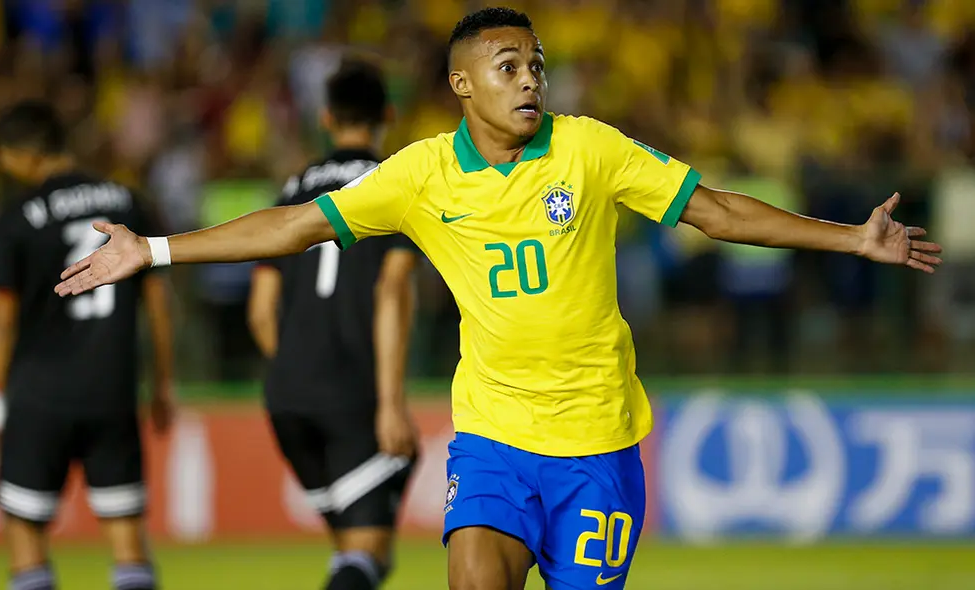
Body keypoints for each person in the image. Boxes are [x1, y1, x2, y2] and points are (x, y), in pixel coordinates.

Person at [54, 7, 943, 590]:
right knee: (475, 580)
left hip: (599, 445)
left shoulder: (590, 149)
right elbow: (294, 227)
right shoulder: (422, 175)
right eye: (507, 64)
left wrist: (848, 236)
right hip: (494, 441)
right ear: (462, 84)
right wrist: (157, 248)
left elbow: (713, 210)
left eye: (537, 64)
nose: (529, 78)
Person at [0, 100, 174, 590]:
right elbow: (159, 302)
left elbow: (1, 318)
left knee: (26, 533)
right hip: (111, 389)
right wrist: (163, 383)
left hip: (38, 394)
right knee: (127, 538)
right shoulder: (127, 201)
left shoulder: (18, 214)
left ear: (21, 153)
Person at [246, 58, 420, 590]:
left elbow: (259, 309)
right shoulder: (396, 185)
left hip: (286, 393)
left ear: (326, 118)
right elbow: (392, 290)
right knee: (367, 551)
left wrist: (295, 369)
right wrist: (391, 402)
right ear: (387, 115)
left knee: (357, 552)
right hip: (353, 391)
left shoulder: (294, 188)